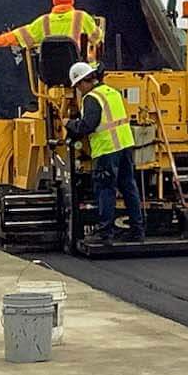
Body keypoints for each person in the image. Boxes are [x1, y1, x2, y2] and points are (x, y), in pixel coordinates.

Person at [65, 60, 143, 244]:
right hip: (125, 147)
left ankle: (104, 233)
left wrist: (68, 123)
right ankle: (137, 231)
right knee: (129, 188)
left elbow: (87, 126)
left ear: (84, 82)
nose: (78, 90)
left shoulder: (92, 98)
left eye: (78, 86)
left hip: (107, 150)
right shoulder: (111, 92)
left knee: (105, 190)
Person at [0, 0, 105, 60]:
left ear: (53, 0)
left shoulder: (43, 22)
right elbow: (97, 38)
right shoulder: (82, 17)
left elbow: (15, 36)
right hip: (80, 73)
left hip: (51, 75)